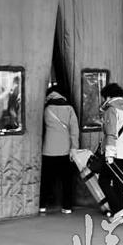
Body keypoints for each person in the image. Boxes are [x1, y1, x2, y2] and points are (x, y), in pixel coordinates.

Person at [97, 83, 123, 223]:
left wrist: (109, 154)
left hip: (115, 152)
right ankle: (121, 214)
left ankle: (118, 210)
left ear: (108, 96)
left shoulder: (111, 110)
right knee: (119, 183)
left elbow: (111, 133)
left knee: (103, 180)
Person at [39, 85, 79, 214]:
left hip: (48, 149)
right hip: (65, 149)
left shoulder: (45, 109)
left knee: (46, 180)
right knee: (67, 180)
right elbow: (74, 131)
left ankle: (42, 205)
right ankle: (67, 207)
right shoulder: (69, 109)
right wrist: (74, 148)